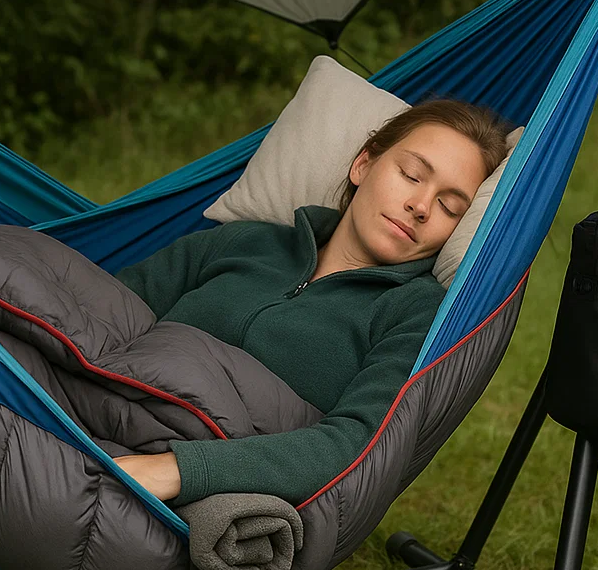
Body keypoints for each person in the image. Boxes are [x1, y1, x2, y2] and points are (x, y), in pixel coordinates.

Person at [113, 99, 511, 505]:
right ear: (363, 165)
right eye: (411, 175)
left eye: (449, 207)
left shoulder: (416, 315)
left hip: (175, 483)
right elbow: (106, 310)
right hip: (100, 409)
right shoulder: (246, 241)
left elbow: (358, 445)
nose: (421, 207)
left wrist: (179, 470)